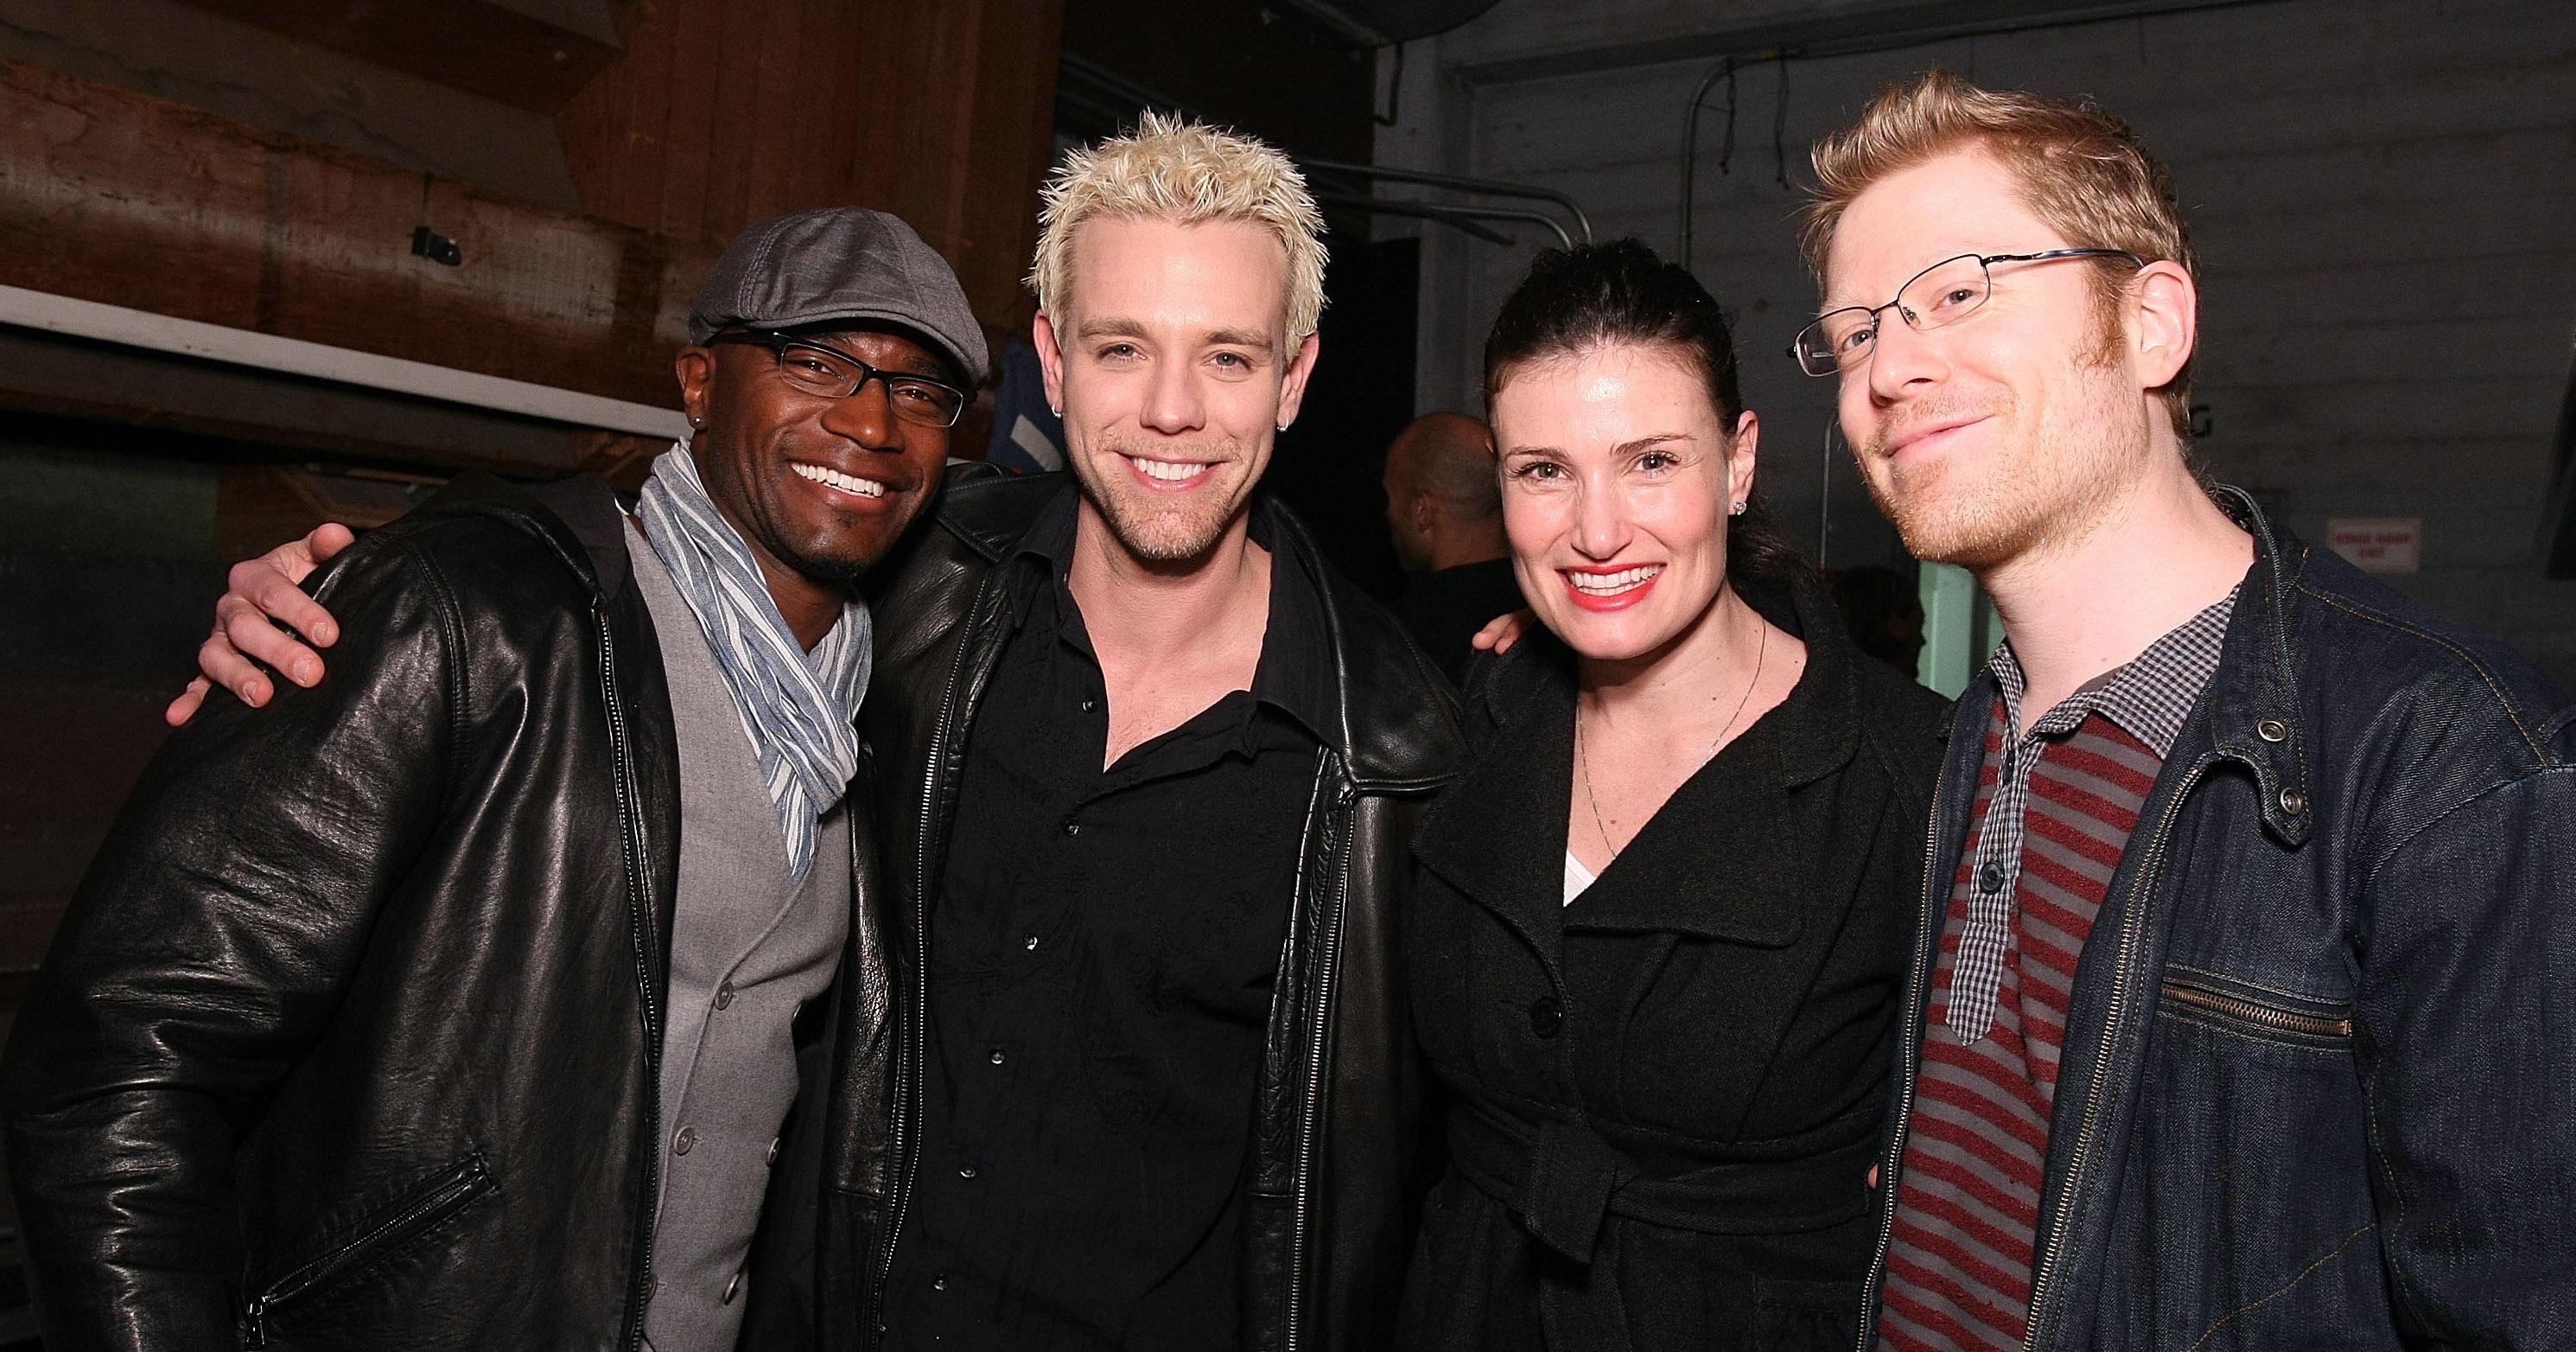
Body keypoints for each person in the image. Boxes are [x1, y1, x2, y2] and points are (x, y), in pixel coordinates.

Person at [168, 113, 1462, 1351]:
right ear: (1054, 364)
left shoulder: (1402, 749)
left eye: (1227, 355)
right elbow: (694, 519)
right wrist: (365, 592)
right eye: (1125, 348)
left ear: (1291, 378)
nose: (1172, 411)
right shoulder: (916, 590)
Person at [0, 207, 988, 1351]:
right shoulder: (462, 610)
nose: (870, 417)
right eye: (816, 359)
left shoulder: (894, 690)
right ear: (701, 383)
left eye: (922, 391)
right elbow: (121, 1058)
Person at [1792, 71, 2576, 1348]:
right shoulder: (1969, 736)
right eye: (1857, 329)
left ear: (2151, 323)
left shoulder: (2451, 763)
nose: (1891, 367)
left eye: (1954, 294)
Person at [1398, 239, 1947, 1352]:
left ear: (1737, 465)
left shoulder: (1912, 778)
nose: (1595, 532)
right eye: (1542, 470)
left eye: (1649, 460)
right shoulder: (1472, 718)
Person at [1384, 411, 1523, 684]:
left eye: (1389, 498)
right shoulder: (1539, 614)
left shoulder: (1393, 638)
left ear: (1422, 513)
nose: (1388, 513)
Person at [1829, 564, 1927, 676]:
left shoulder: (1824, 685)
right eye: (1918, 627)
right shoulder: (1896, 692)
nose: (1923, 641)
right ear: (1895, 625)